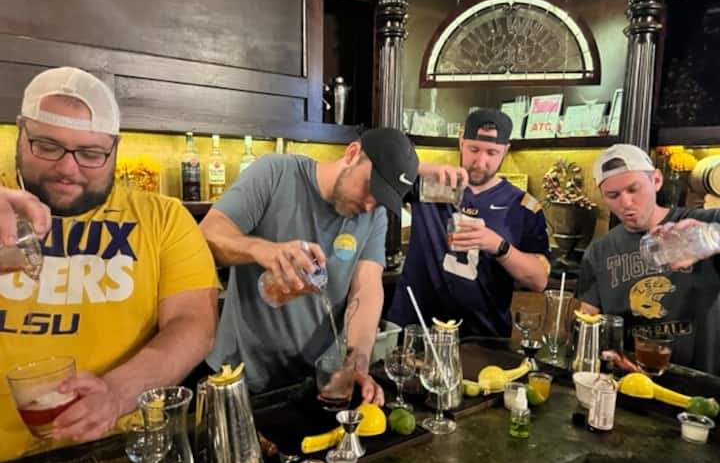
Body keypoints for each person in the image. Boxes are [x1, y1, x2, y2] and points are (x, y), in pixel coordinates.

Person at [0, 67, 220, 462]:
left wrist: (117, 393)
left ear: (115, 150)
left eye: (90, 154)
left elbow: (193, 323)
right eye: (47, 146)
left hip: (118, 452)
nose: (68, 168)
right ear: (21, 134)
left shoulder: (163, 218)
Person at [199, 128, 420, 403]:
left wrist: (358, 357)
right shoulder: (275, 173)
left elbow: (367, 288)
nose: (369, 204)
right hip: (238, 377)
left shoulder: (374, 216)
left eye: (380, 200)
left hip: (316, 382)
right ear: (352, 153)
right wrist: (263, 250)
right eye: (370, 188)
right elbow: (206, 234)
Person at [387, 108, 550, 338]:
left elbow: (539, 281)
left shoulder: (522, 206)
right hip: (416, 330)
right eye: (474, 149)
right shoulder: (434, 184)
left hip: (482, 338)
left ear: (506, 150)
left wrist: (499, 246)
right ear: (461, 143)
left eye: (492, 153)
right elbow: (374, 166)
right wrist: (424, 168)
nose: (480, 162)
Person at [577, 143, 720, 375]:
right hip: (632, 380)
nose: (626, 203)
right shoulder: (598, 251)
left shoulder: (702, 223)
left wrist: (712, 237)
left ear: (656, 180)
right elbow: (588, 321)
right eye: (613, 195)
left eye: (633, 189)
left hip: (698, 382)